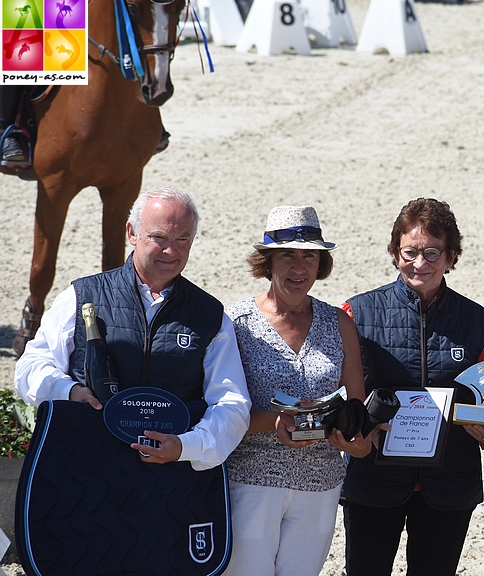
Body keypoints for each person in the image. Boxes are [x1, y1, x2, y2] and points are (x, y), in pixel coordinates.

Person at [14, 187, 251, 469]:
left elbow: (232, 402)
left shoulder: (210, 314)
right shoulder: (82, 296)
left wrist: (186, 446)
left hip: (170, 475)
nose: (171, 250)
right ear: (132, 233)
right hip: (85, 463)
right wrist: (69, 391)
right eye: (158, 237)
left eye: (183, 239)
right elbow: (30, 368)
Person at [341, 197, 484, 576]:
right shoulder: (356, 314)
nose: (419, 263)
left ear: (451, 257)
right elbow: (343, 398)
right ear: (395, 253)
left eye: (432, 253)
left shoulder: (479, 321)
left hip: (449, 483)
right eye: (410, 251)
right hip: (374, 479)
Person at [223, 205, 373, 576]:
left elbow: (356, 407)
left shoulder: (339, 321)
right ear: (267, 261)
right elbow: (219, 410)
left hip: (320, 484)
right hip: (251, 480)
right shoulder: (235, 322)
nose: (298, 267)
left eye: (309, 256)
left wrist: (356, 441)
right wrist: (275, 422)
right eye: (287, 255)